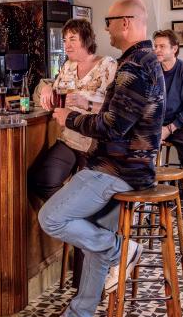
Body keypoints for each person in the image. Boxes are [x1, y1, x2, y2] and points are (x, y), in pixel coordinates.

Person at [38, 0, 164, 317]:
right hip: (131, 167)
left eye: (109, 22)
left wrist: (71, 118)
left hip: (115, 168)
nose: (105, 29)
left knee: (51, 217)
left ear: (126, 22)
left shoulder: (133, 66)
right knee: (95, 238)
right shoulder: (143, 60)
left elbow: (113, 126)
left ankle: (122, 251)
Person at [29, 18, 117, 201]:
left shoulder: (107, 65)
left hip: (96, 143)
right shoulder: (68, 66)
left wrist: (88, 104)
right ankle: (69, 214)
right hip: (69, 139)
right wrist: (47, 87)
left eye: (72, 39)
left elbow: (117, 110)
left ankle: (79, 213)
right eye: (64, 40)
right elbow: (53, 92)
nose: (66, 45)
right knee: (41, 180)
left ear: (86, 39)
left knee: (90, 196)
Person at [153, 29, 183, 207]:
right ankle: (151, 189)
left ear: (174, 49)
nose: (157, 50)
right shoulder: (152, 71)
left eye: (162, 46)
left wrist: (168, 129)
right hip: (156, 122)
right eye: (155, 46)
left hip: (180, 123)